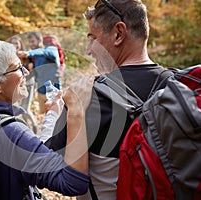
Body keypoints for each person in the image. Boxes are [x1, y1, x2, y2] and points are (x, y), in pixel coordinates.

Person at [45, 0, 172, 199]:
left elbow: (47, 162)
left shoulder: (87, 96)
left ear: (118, 33)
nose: (88, 50)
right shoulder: (181, 88)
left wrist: (53, 115)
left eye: (92, 38)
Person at [0, 40, 93, 199]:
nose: (25, 72)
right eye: (17, 68)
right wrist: (76, 112)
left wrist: (52, 115)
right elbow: (73, 182)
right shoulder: (12, 133)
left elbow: (32, 154)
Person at [18, 31, 61, 114]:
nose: (31, 44)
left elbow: (43, 52)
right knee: (45, 116)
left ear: (40, 40)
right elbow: (35, 73)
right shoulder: (35, 58)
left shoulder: (51, 49)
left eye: (33, 41)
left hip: (54, 91)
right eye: (29, 42)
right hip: (41, 91)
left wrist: (28, 53)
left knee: (56, 116)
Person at [7, 35, 38, 133]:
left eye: (17, 43)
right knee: (18, 109)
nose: (15, 45)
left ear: (20, 45)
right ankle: (27, 128)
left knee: (25, 108)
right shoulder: (9, 57)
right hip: (16, 86)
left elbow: (32, 71)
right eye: (13, 43)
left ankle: (34, 125)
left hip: (28, 84)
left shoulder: (26, 56)